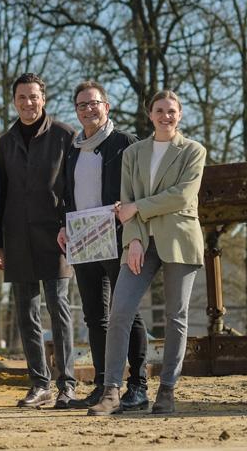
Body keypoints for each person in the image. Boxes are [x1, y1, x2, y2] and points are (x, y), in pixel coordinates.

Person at [88, 90, 206, 416]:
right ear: (150, 114)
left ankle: (167, 389)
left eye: (171, 111)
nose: (165, 116)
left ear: (179, 114)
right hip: (142, 242)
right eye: (159, 110)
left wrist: (137, 208)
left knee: (175, 317)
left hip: (179, 241)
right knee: (120, 310)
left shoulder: (193, 151)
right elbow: (126, 200)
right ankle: (111, 390)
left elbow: (181, 197)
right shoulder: (134, 153)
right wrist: (134, 241)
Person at [57, 80, 149, 410]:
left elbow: (140, 189)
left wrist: (127, 211)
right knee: (96, 317)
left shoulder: (125, 143)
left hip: (120, 237)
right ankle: (101, 385)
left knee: (127, 311)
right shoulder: (72, 149)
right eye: (81, 105)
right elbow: (66, 195)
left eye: (93, 103)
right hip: (84, 241)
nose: (88, 109)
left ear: (106, 106)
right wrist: (63, 226)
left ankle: (137, 385)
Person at [0, 72, 78, 409]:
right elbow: (1, 196)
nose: (28, 103)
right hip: (16, 237)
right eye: (21, 98)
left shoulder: (65, 135)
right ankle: (39, 384)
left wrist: (70, 226)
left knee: (59, 308)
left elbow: (73, 189)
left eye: (33, 97)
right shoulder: (6, 141)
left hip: (56, 237)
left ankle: (67, 384)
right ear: (14, 102)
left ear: (44, 98)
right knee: (25, 312)